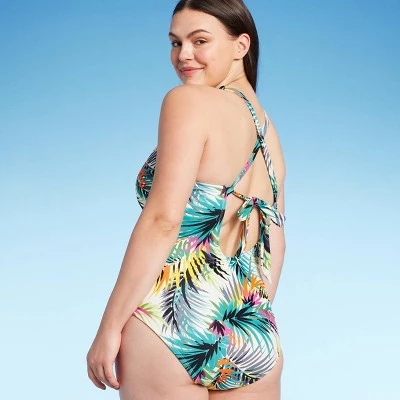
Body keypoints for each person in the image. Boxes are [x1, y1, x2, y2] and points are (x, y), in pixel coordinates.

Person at [86, 0, 286, 399]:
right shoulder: (269, 135)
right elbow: (275, 242)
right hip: (251, 331)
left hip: (170, 322)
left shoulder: (187, 101)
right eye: (175, 43)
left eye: (200, 41)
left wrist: (108, 328)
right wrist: (251, 318)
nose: (183, 55)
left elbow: (163, 220)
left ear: (241, 45)